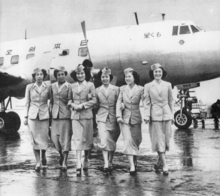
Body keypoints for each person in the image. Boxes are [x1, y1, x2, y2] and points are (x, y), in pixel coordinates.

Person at [143, 63, 174, 176]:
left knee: (165, 140)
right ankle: (165, 165)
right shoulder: (148, 86)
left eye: (159, 71)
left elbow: (171, 101)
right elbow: (146, 102)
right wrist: (146, 115)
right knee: (158, 140)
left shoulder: (168, 85)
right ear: (152, 73)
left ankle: (159, 162)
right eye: (155, 72)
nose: (157, 73)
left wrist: (172, 114)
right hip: (154, 115)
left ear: (162, 73)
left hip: (166, 115)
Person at [68, 64, 96, 176]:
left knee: (87, 140)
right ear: (76, 75)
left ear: (85, 74)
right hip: (75, 116)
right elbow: (69, 100)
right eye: (78, 74)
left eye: (82, 73)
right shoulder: (72, 86)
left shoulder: (90, 85)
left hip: (87, 115)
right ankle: (78, 163)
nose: (80, 75)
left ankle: (86, 159)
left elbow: (94, 100)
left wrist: (83, 105)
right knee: (77, 139)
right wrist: (72, 104)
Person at [116, 68, 144, 175]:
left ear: (134, 78)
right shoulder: (122, 89)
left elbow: (146, 102)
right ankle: (131, 166)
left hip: (136, 117)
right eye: (126, 77)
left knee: (136, 141)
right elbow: (119, 103)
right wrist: (119, 116)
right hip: (125, 118)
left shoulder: (141, 89)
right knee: (128, 141)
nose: (127, 78)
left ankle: (134, 161)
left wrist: (148, 115)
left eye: (129, 76)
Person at [24, 68, 51, 171]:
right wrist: (26, 116)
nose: (39, 76)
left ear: (43, 76)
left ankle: (43, 156)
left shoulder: (47, 87)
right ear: (34, 76)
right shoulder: (29, 87)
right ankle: (38, 162)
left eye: (41, 74)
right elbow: (27, 102)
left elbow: (51, 101)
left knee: (44, 138)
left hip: (44, 115)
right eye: (37, 74)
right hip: (32, 116)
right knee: (34, 139)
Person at [95, 68, 120, 172]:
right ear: (100, 78)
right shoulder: (97, 90)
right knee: (104, 139)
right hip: (102, 117)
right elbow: (96, 105)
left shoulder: (116, 89)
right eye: (103, 77)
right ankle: (105, 163)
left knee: (112, 141)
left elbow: (119, 103)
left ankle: (110, 161)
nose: (105, 79)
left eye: (106, 77)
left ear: (110, 77)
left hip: (114, 117)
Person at [50, 66, 72, 171]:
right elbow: (50, 100)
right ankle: (61, 154)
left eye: (63, 74)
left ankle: (64, 161)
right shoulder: (52, 86)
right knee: (54, 139)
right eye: (59, 75)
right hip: (55, 115)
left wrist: (70, 102)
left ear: (65, 75)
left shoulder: (69, 86)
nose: (61, 76)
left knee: (65, 139)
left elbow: (71, 99)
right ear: (56, 76)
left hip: (65, 115)